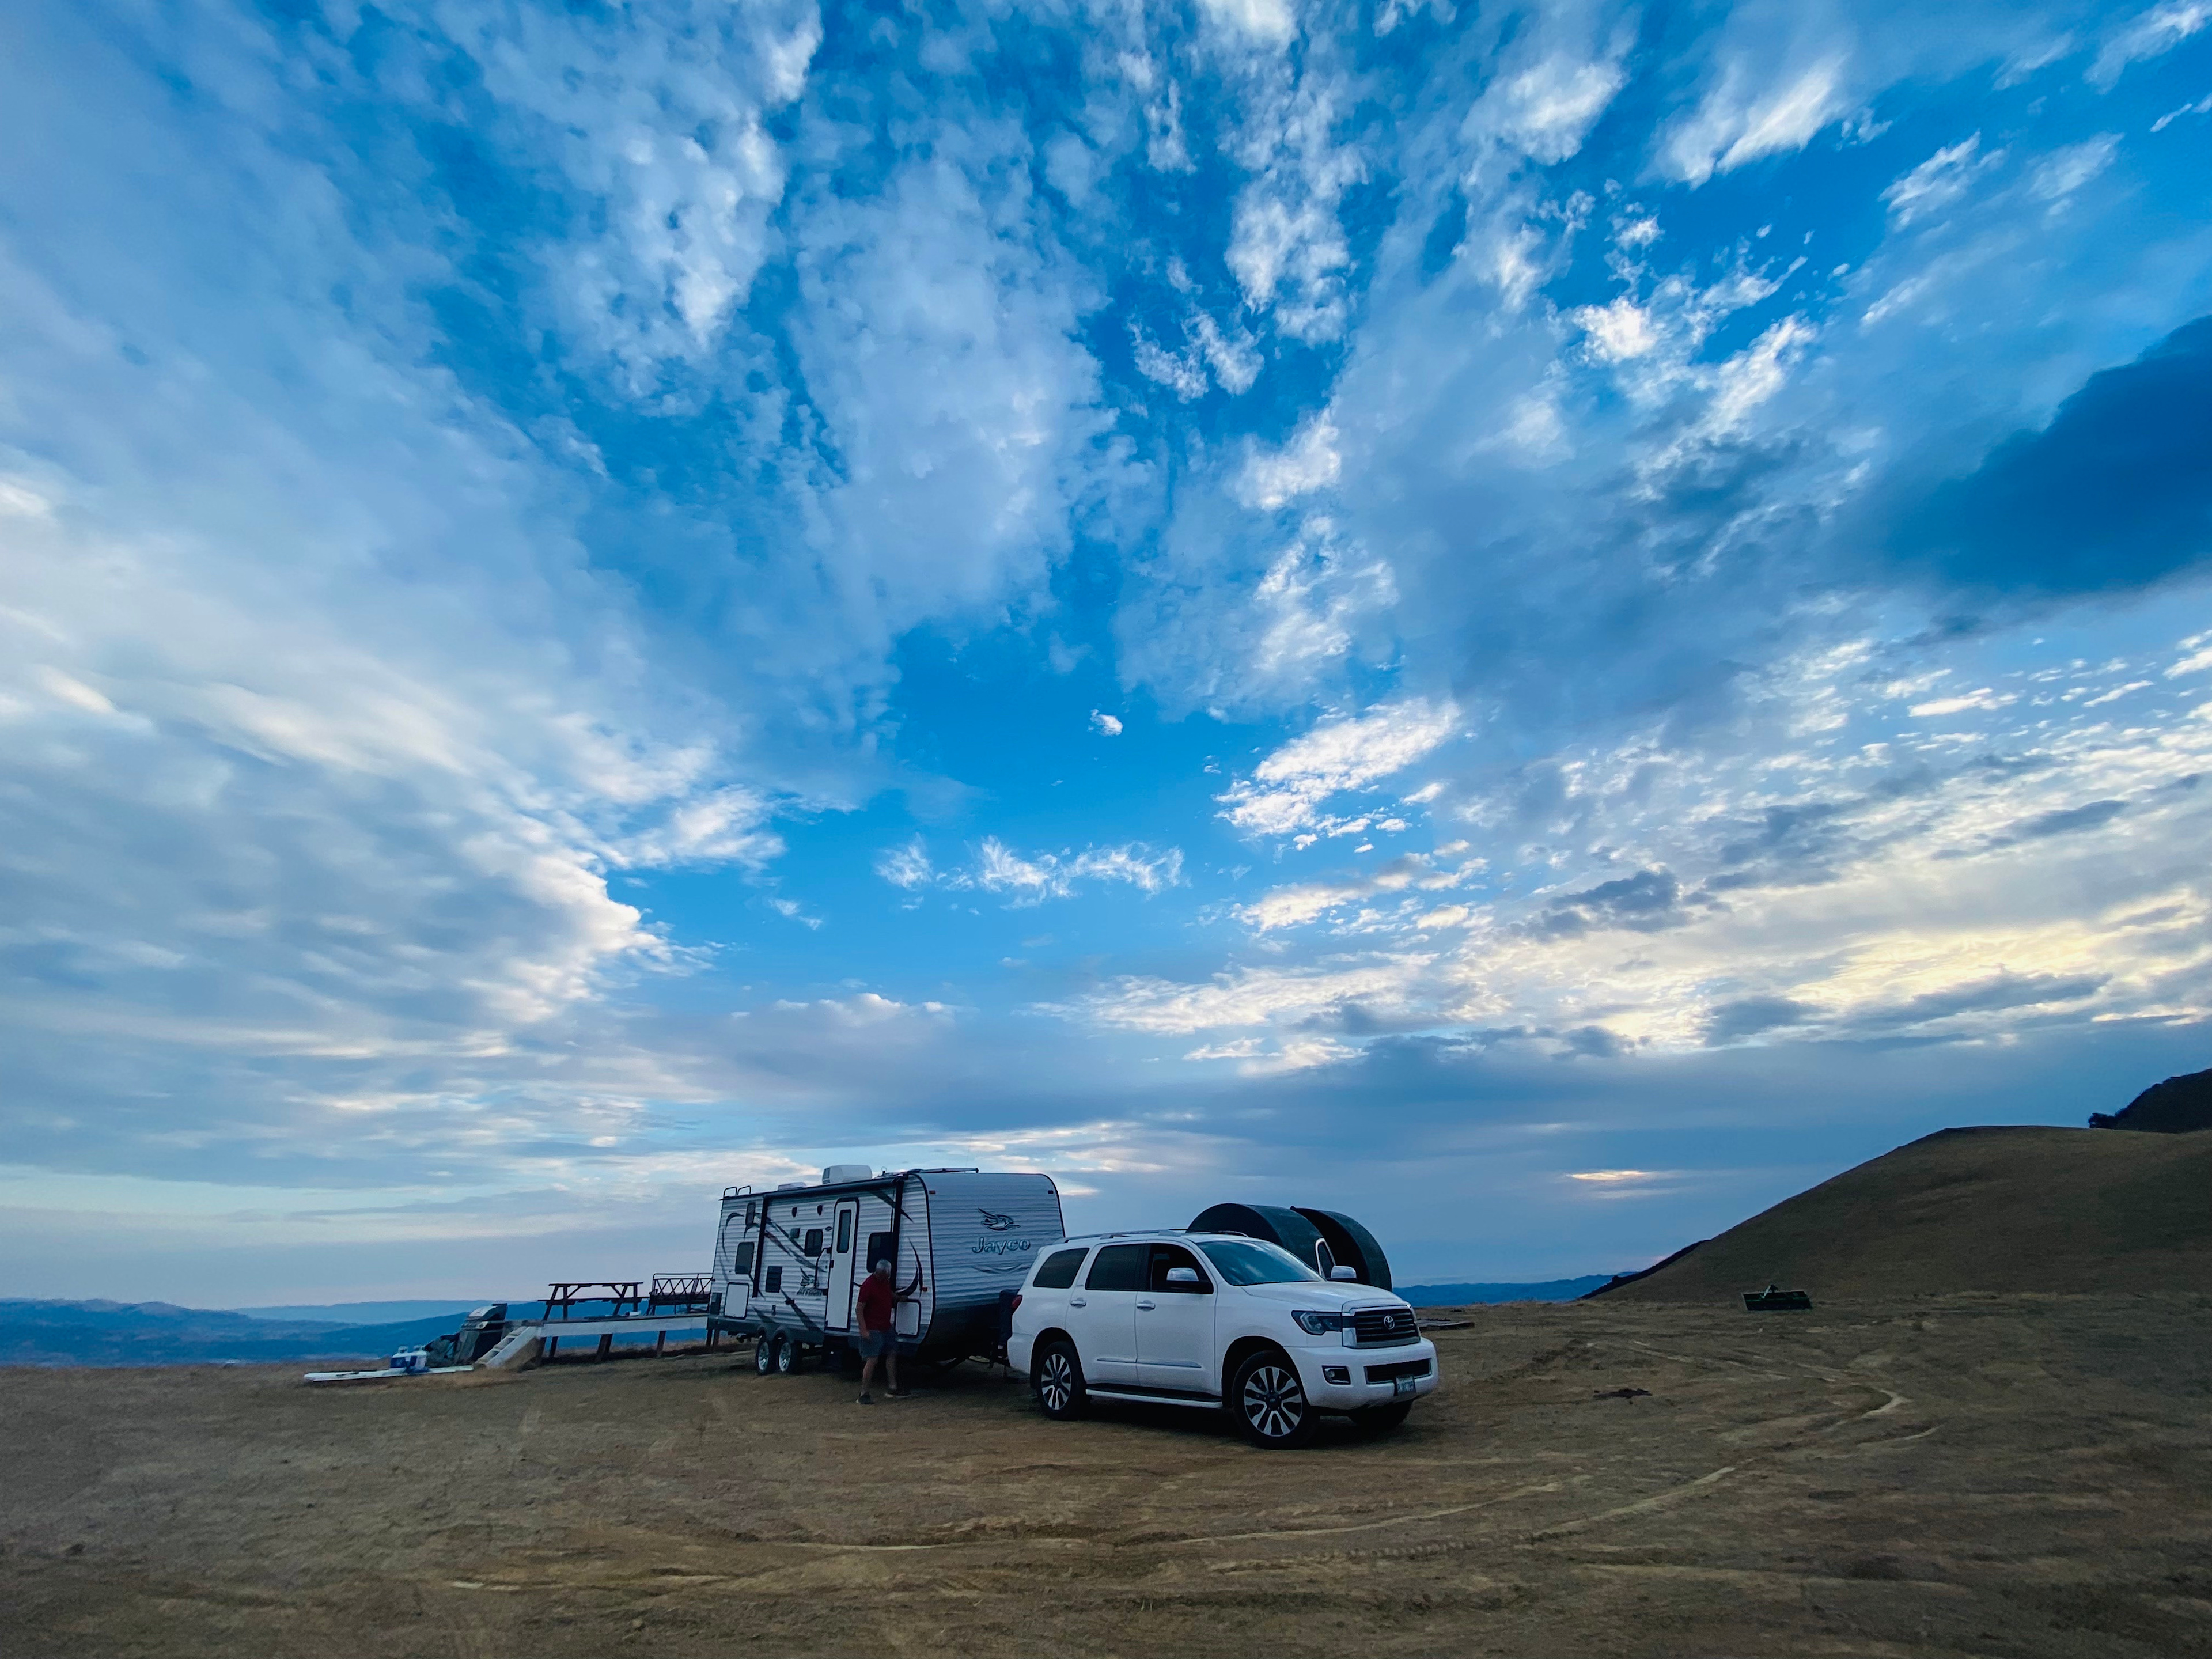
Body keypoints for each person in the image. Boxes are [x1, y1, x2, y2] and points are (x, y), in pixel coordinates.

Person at [855, 1257, 902, 1404]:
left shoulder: (884, 1283)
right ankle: (864, 1394)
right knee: (872, 1360)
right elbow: (859, 1309)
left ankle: (893, 1388)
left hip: (885, 1326)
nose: (887, 1277)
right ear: (880, 1273)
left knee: (892, 1352)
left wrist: (900, 1298)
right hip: (872, 1328)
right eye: (886, 1275)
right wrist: (864, 1330)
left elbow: (888, 1294)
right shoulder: (868, 1285)